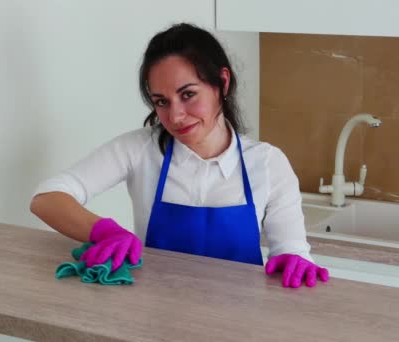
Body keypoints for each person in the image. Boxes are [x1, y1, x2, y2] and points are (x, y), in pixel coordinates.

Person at [30, 23, 328, 288]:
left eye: (188, 95)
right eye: (161, 101)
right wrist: (105, 232)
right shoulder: (139, 151)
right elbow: (47, 198)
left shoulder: (268, 163)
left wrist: (294, 259)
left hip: (241, 326)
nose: (175, 116)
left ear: (222, 83)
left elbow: (291, 250)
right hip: (156, 322)